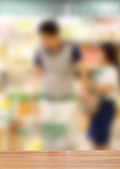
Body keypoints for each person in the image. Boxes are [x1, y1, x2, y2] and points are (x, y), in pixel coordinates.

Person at [32, 20, 82, 150]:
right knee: (48, 130)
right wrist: (34, 90)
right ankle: (50, 158)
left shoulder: (72, 49)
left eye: (46, 38)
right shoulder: (40, 51)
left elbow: (82, 69)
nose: (43, 42)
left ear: (55, 36)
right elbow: (37, 72)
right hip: (48, 98)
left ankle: (67, 159)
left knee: (66, 132)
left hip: (66, 99)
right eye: (42, 38)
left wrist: (83, 87)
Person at [87, 43, 120, 150]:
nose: (98, 54)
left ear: (106, 54)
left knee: (102, 141)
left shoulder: (112, 70)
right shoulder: (101, 69)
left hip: (106, 106)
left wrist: (92, 87)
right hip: (97, 105)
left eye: (100, 52)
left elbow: (108, 88)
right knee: (96, 139)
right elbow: (95, 85)